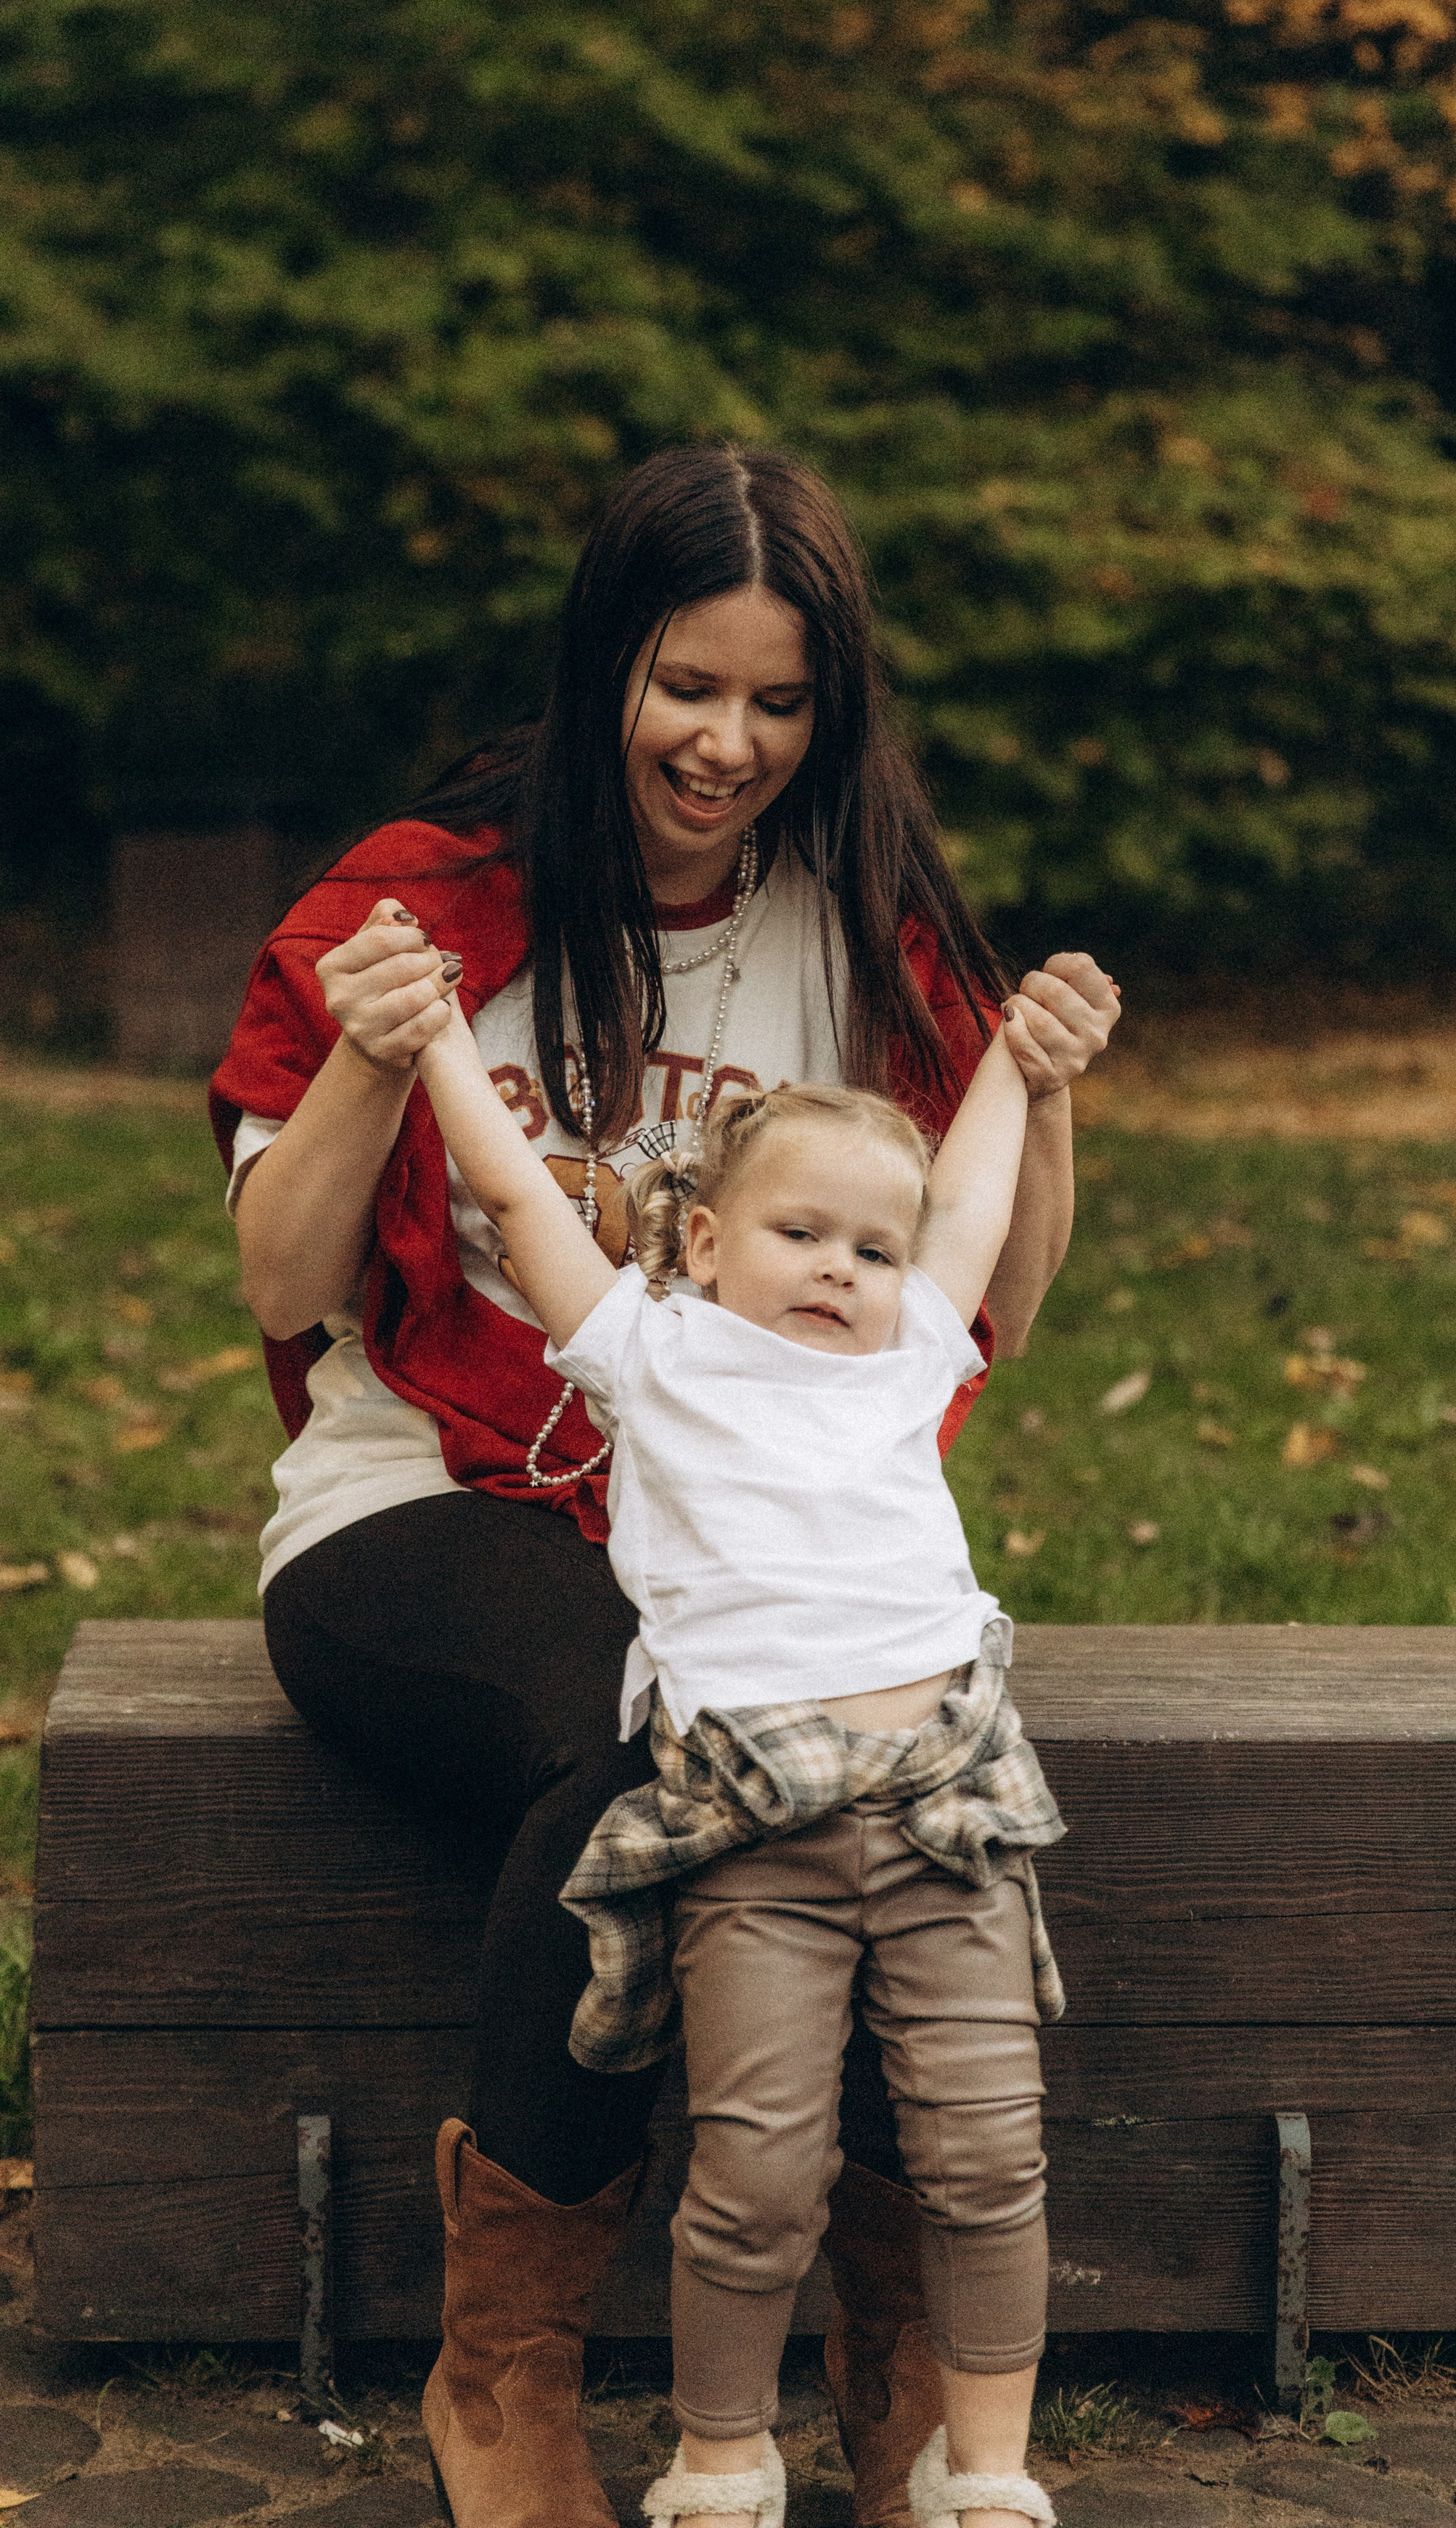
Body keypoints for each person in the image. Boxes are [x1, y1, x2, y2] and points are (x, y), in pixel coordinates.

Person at [208, 442, 1121, 2528]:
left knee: (858, 1740)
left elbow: (985, 1305)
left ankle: (897, 2346)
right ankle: (503, 2369)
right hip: (422, 1498)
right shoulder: (420, 905)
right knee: (642, 1727)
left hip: (748, 1535)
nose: (728, 745)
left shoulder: (860, 929)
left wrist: (1045, 1102)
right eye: (684, 686)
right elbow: (280, 1282)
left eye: (778, 701)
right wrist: (372, 1055)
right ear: (604, 662)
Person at [415, 980, 1089, 2528]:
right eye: (801, 1233)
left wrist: (1014, 1059)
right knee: (755, 2176)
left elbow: (972, 1204)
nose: (842, 1268)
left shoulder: (908, 1353)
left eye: (872, 1250)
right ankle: (722, 2460)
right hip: (753, 1835)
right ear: (706, 1242)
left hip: (947, 1818)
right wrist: (439, 1038)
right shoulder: (650, 1352)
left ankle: (985, 2470)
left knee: (989, 2160)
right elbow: (517, 1196)